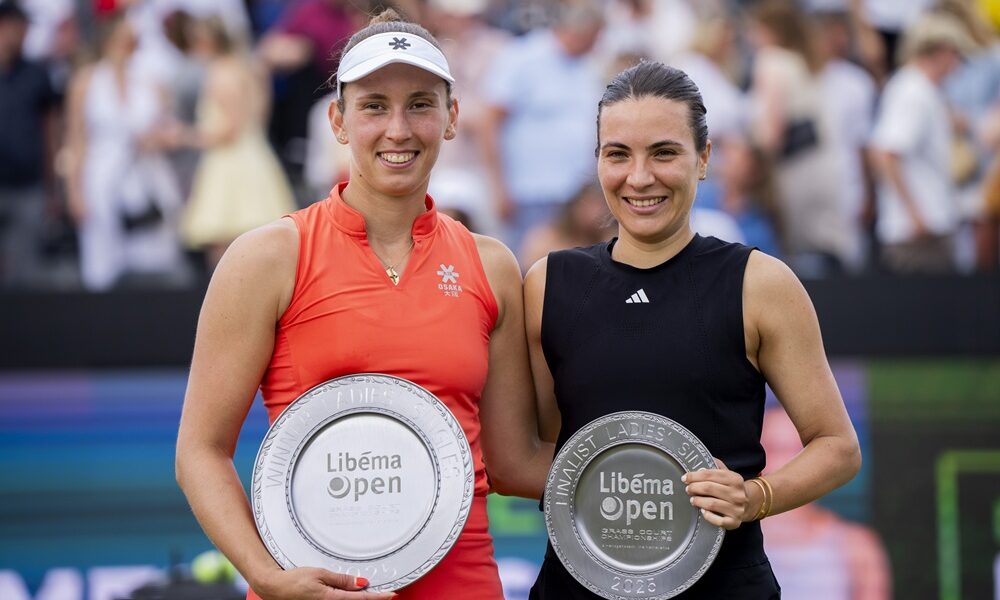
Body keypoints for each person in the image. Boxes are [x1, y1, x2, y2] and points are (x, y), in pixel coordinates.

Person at [175, 9, 551, 600]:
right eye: (374, 105)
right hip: (309, 589)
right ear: (339, 120)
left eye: (421, 104)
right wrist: (266, 577)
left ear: (452, 117)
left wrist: (658, 474)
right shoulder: (267, 257)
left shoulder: (492, 264)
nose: (398, 129)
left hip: (461, 583)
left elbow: (515, 462)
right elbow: (199, 451)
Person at [524, 61, 861, 598]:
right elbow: (540, 450)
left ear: (703, 159)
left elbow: (838, 447)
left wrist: (757, 497)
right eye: (618, 154)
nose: (639, 177)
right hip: (578, 584)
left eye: (664, 152)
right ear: (597, 162)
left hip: (725, 584)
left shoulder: (760, 283)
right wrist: (625, 499)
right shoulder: (549, 284)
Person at [63, 13, 187, 291]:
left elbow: (172, 130)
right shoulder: (86, 81)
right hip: (101, 180)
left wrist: (155, 139)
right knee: (102, 264)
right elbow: (75, 139)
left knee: (155, 261)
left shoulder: (151, 81)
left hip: (148, 178)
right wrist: (73, 191)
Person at [176, 16, 296, 270]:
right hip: (255, 157)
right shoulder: (245, 69)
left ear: (206, 42)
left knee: (225, 249)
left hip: (230, 164)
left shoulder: (221, 74)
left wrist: (182, 135)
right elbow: (260, 115)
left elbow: (229, 129)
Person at [760, 405, 891, 600]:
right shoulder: (723, 543)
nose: (784, 462)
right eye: (773, 448)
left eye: (795, 450)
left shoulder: (857, 546)